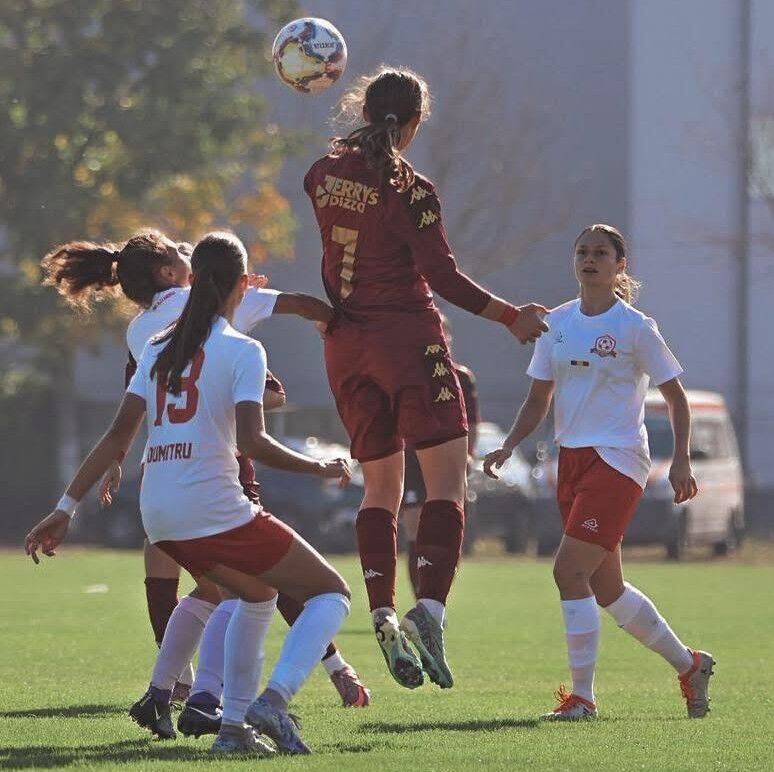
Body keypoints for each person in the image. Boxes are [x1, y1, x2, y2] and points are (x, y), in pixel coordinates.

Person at [26, 231, 354, 756]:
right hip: (212, 506)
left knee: (256, 594)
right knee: (331, 593)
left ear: (193, 279)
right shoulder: (244, 348)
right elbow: (254, 441)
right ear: (243, 285)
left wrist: (65, 508)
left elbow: (116, 436)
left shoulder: (154, 345)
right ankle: (273, 701)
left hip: (158, 510)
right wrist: (320, 467)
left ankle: (231, 727)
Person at [304, 65, 548, 690]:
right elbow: (441, 277)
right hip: (409, 343)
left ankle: (381, 610)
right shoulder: (411, 189)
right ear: (414, 122)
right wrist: (510, 317)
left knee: (379, 490)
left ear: (363, 110)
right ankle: (429, 612)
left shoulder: (321, 173)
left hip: (346, 348)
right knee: (446, 485)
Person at [483, 224, 715, 720]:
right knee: (607, 589)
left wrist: (681, 460)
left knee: (568, 571)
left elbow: (676, 397)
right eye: (583, 252)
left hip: (618, 460)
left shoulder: (636, 327)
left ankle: (583, 699)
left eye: (601, 253)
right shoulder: (556, 322)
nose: (590, 259)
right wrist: (509, 443)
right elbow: (538, 398)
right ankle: (690, 664)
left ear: (619, 265)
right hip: (570, 460)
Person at [400, 316, 479, 598]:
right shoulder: (406, 375)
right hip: (413, 461)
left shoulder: (462, 378)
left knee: (446, 533)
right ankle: (420, 600)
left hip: (449, 462)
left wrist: (468, 456)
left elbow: (472, 424)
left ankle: (437, 600)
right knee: (415, 527)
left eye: (443, 334)